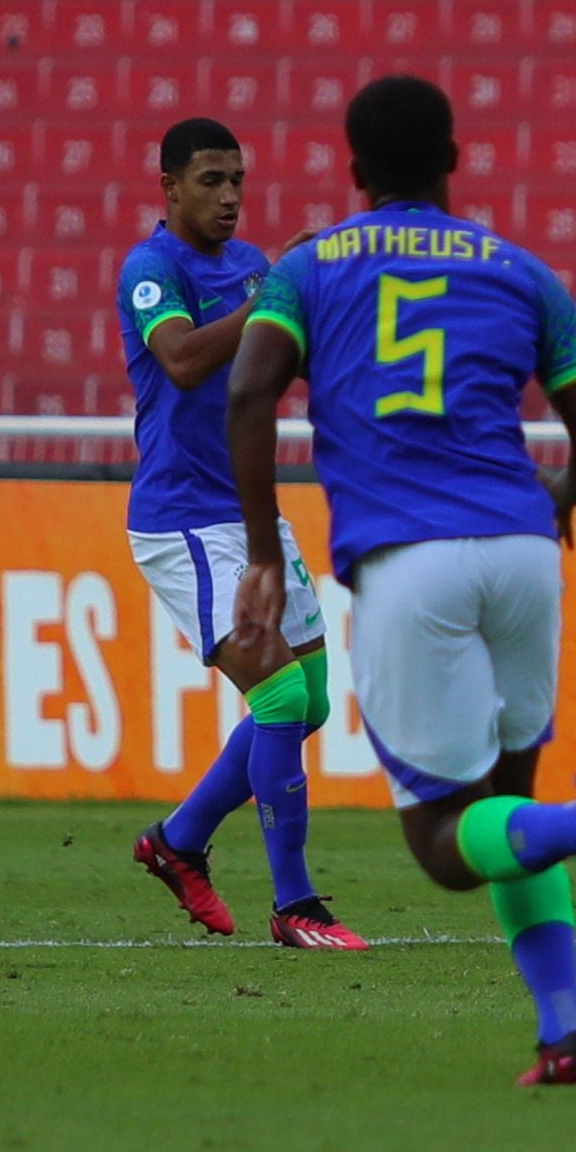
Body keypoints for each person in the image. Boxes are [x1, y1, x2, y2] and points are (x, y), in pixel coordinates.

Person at [227, 75, 576, 1085]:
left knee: (442, 842)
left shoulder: (308, 269)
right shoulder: (520, 271)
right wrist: (555, 501)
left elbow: (251, 389)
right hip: (525, 549)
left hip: (409, 562)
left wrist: (264, 550)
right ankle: (564, 1033)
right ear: (455, 160)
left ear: (353, 170)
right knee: (502, 819)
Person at [119, 116, 365, 950]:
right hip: (183, 519)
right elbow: (183, 361)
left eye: (237, 181)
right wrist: (267, 299)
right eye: (211, 181)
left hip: (251, 512)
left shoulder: (255, 266)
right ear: (170, 189)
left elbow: (277, 367)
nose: (228, 196)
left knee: (313, 701)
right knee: (281, 697)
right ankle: (295, 905)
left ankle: (179, 840)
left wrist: (310, 291)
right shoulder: (152, 269)